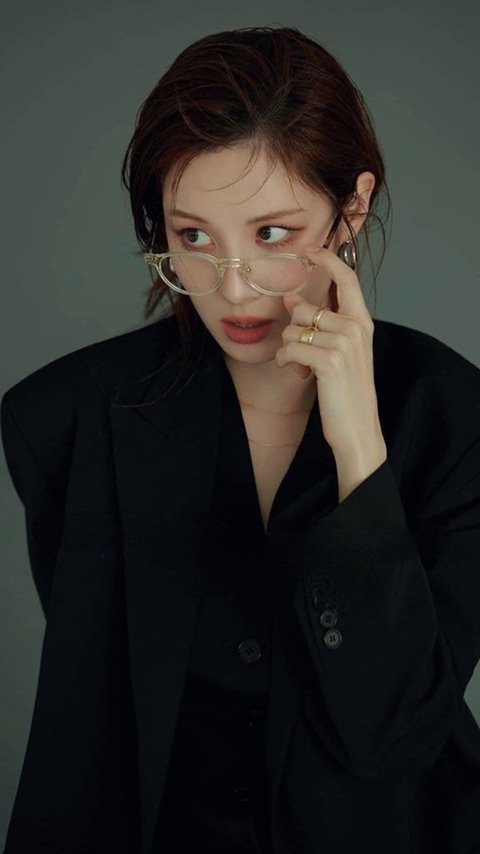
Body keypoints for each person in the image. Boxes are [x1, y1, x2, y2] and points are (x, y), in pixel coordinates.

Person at [1, 24, 480, 854]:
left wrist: (359, 448)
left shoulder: (452, 416)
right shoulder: (67, 420)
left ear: (352, 208)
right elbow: (102, 725)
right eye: (193, 238)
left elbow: (396, 737)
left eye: (272, 235)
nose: (231, 290)